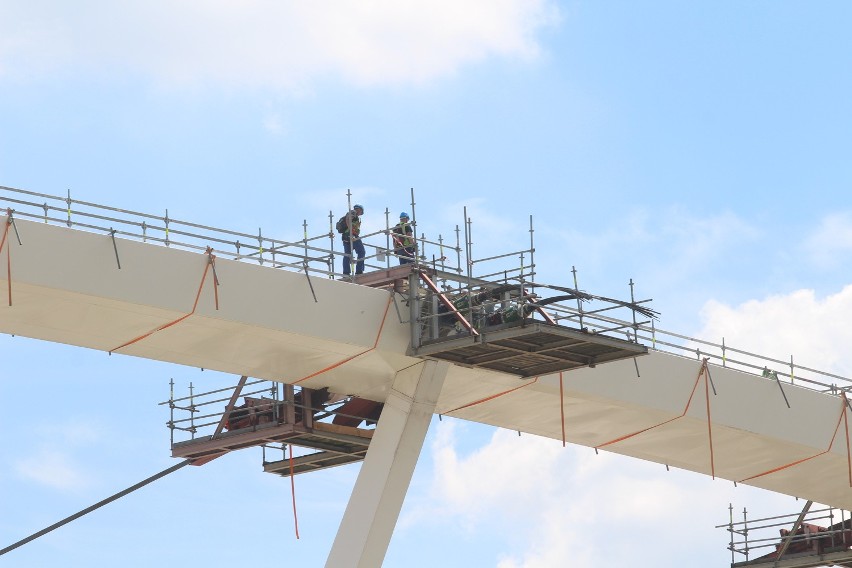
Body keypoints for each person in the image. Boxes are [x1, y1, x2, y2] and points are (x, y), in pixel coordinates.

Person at [341, 204, 365, 275]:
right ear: (359, 210)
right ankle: (359, 271)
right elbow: (348, 219)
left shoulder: (353, 214)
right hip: (351, 235)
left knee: (347, 254)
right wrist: (351, 232)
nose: (361, 213)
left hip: (346, 236)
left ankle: (346, 272)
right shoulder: (353, 212)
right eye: (361, 211)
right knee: (361, 252)